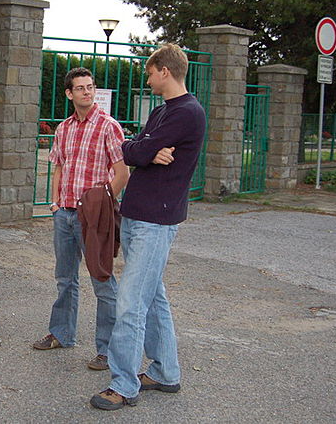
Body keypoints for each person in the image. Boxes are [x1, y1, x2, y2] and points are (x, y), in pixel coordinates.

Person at [90, 44, 206, 411]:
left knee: (131, 304)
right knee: (153, 298)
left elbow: (135, 151)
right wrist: (146, 150)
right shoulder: (162, 111)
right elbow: (130, 149)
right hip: (138, 216)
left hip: (156, 221)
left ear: (165, 71)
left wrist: (144, 150)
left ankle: (123, 385)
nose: (148, 78)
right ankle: (165, 372)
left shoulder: (187, 112)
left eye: (151, 72)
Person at [32, 67, 130, 372]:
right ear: (69, 93)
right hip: (64, 213)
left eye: (90, 87)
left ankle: (108, 350)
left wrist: (102, 204)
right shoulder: (64, 128)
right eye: (80, 88)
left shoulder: (108, 126)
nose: (87, 92)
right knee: (65, 278)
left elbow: (122, 173)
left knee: (102, 280)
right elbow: (59, 167)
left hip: (94, 217)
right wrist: (56, 202)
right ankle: (61, 333)